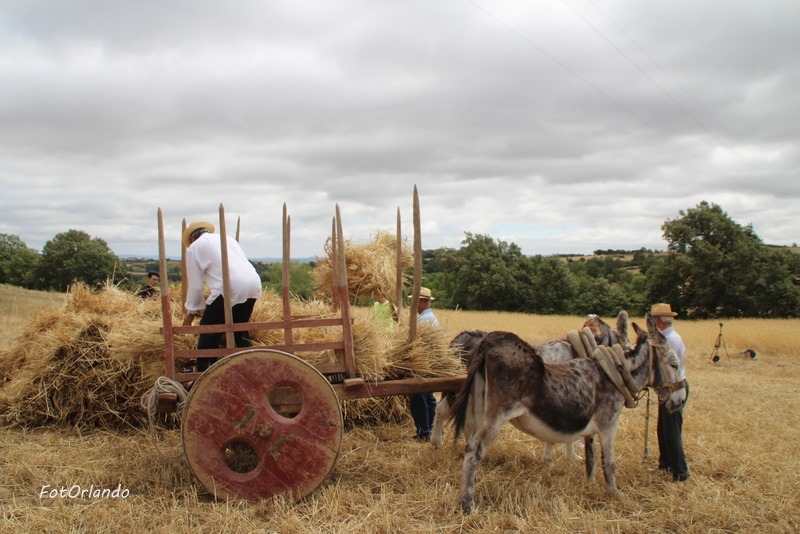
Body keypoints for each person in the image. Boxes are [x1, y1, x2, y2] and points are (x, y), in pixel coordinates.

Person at [182, 221, 262, 372]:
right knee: (239, 326)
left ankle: (204, 370)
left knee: (209, 328)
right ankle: (250, 365)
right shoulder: (228, 240)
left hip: (229, 286)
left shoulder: (194, 247)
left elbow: (196, 285)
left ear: (192, 239)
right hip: (253, 283)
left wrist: (192, 311)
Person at [651, 302, 690, 482]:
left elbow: (667, 368)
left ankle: (680, 472)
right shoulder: (666, 337)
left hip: (674, 389)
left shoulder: (670, 340)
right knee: (664, 428)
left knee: (672, 430)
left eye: (653, 319)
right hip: (668, 388)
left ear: (659, 320)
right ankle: (665, 464)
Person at [409, 287, 439, 441]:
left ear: (423, 301)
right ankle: (432, 430)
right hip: (429, 361)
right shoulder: (428, 318)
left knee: (419, 396)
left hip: (422, 362)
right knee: (428, 396)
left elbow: (413, 341)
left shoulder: (425, 320)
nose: (413, 304)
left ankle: (425, 433)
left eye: (415, 301)